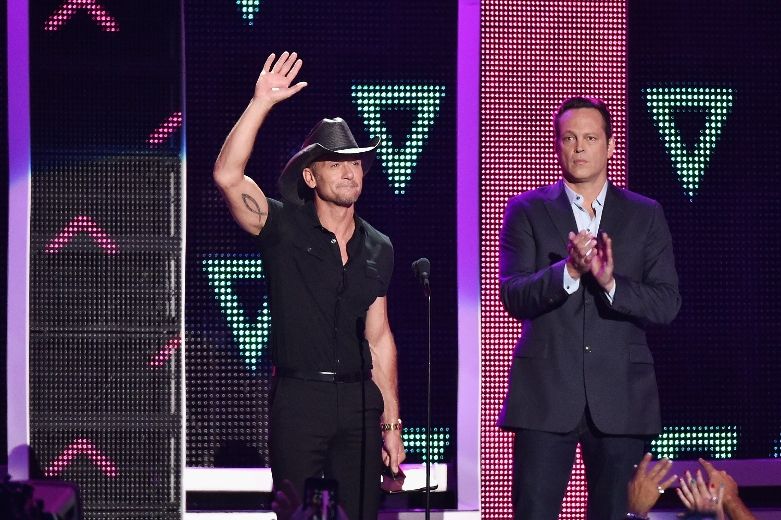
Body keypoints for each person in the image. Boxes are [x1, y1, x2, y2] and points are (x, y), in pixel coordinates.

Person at [213, 51, 405, 520]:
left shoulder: (379, 246)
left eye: (355, 163)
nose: (348, 171)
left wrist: (392, 422)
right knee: (298, 512)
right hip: (300, 400)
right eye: (334, 163)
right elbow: (227, 175)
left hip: (360, 402)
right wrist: (261, 102)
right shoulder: (282, 227)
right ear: (310, 174)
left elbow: (378, 337)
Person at [497, 96, 681, 519]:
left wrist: (610, 282)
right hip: (545, 396)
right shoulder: (527, 210)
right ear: (558, 145)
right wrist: (570, 272)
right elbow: (513, 293)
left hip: (622, 397)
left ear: (610, 145)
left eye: (590, 138)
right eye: (569, 138)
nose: (579, 148)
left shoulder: (644, 214)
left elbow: (666, 302)